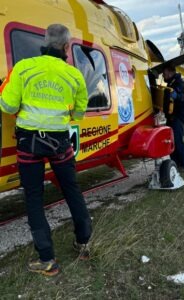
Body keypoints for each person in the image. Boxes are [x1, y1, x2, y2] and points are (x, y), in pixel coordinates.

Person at [0, 24, 92, 276]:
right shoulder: (74, 76)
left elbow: (7, 106)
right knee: (72, 189)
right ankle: (83, 244)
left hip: (29, 144)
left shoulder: (23, 68)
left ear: (45, 41)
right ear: (66, 46)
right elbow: (79, 114)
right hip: (60, 143)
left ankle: (47, 260)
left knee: (33, 197)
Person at [163, 64, 184, 172]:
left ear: (170, 72)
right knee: (170, 141)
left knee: (178, 141)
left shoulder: (179, 83)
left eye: (164, 73)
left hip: (178, 117)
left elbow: (183, 98)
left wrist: (176, 96)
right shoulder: (170, 83)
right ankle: (175, 163)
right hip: (170, 116)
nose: (163, 75)